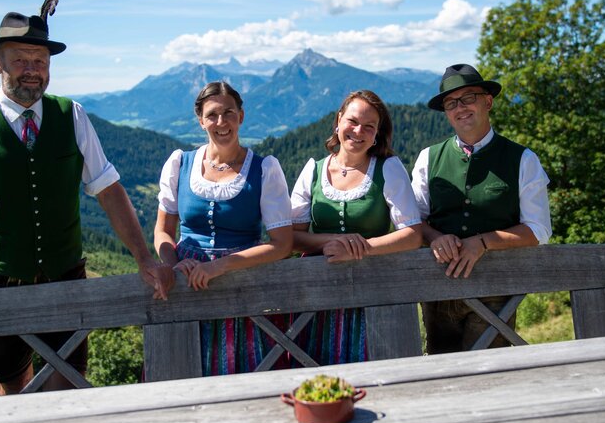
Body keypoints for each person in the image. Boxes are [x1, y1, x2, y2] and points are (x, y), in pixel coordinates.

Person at [0, 0, 173, 395]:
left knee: (68, 387)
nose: (32, 71)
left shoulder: (71, 115)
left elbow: (108, 189)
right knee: (13, 393)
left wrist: (143, 258)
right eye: (20, 60)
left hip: (65, 277)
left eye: (40, 62)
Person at [154, 81, 293, 376]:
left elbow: (282, 244)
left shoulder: (265, 168)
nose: (221, 122)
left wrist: (221, 267)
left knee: (245, 367)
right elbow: (163, 232)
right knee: (184, 371)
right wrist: (174, 264)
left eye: (228, 113)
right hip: (186, 283)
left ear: (241, 116)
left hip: (244, 283)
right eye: (213, 115)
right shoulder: (180, 163)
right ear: (201, 121)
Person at [411, 63, 552, 353]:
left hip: (497, 291)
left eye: (468, 98)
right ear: (446, 113)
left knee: (491, 372)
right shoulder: (428, 158)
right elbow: (414, 222)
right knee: (441, 371)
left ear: (487, 101)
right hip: (439, 289)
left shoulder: (523, 159)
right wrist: (435, 237)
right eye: (451, 103)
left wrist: (484, 242)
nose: (460, 108)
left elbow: (538, 230)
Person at [290, 90, 422, 365]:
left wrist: (360, 249)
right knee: (317, 363)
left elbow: (412, 234)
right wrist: (327, 243)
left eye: (369, 126)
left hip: (374, 285)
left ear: (377, 134)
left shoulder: (388, 168)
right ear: (338, 121)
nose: (358, 131)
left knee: (374, 363)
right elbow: (291, 237)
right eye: (352, 121)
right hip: (318, 290)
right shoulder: (313, 170)